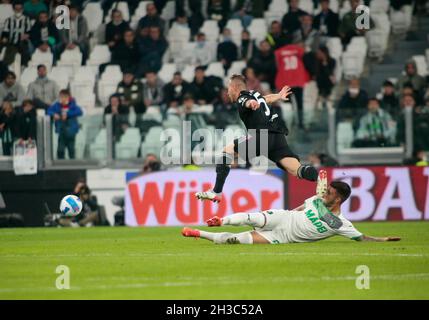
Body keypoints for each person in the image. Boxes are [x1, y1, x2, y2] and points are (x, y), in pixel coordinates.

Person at [195, 74, 318, 203]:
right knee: (297, 170)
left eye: (228, 89)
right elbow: (266, 99)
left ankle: (217, 192)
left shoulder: (242, 98)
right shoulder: (255, 94)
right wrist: (278, 96)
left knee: (228, 150)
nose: (227, 92)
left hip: (261, 136)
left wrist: (251, 104)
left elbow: (248, 102)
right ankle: (321, 180)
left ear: (234, 87)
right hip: (278, 138)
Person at [185, 179, 401, 244]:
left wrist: (383, 240)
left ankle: (198, 233)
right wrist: (287, 213)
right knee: (252, 216)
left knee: (235, 241)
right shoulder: (317, 199)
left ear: (339, 199)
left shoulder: (341, 224)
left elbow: (361, 238)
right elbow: (300, 207)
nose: (324, 194)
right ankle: (220, 220)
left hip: (283, 237)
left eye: (329, 193)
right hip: (284, 217)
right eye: (326, 191)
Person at [47, 89, 83, 159]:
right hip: (61, 131)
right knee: (60, 150)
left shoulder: (73, 105)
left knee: (71, 149)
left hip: (71, 132)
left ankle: (72, 165)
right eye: (61, 97)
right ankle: (60, 165)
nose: (62, 99)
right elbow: (48, 111)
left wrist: (67, 114)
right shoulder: (57, 105)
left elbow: (80, 112)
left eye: (64, 97)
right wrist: (54, 114)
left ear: (68, 97)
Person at [0, 1, 32, 66]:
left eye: (20, 9)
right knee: (9, 49)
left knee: (25, 50)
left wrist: (27, 35)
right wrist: (4, 38)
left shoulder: (26, 19)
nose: (18, 10)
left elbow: (29, 32)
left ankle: (24, 66)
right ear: (13, 9)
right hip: (11, 42)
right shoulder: (9, 20)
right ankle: (5, 65)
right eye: (16, 9)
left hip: (22, 42)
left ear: (22, 9)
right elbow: (5, 32)